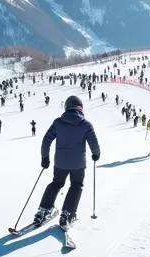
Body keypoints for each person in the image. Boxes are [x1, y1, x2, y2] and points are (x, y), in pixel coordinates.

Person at [34, 96, 101, 229]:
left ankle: (43, 211)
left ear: (66, 107)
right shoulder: (86, 124)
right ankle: (67, 214)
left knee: (56, 183)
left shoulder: (58, 123)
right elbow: (94, 143)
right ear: (80, 108)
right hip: (78, 164)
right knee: (76, 185)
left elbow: (46, 140)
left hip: (60, 163)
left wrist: (45, 157)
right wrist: (96, 154)